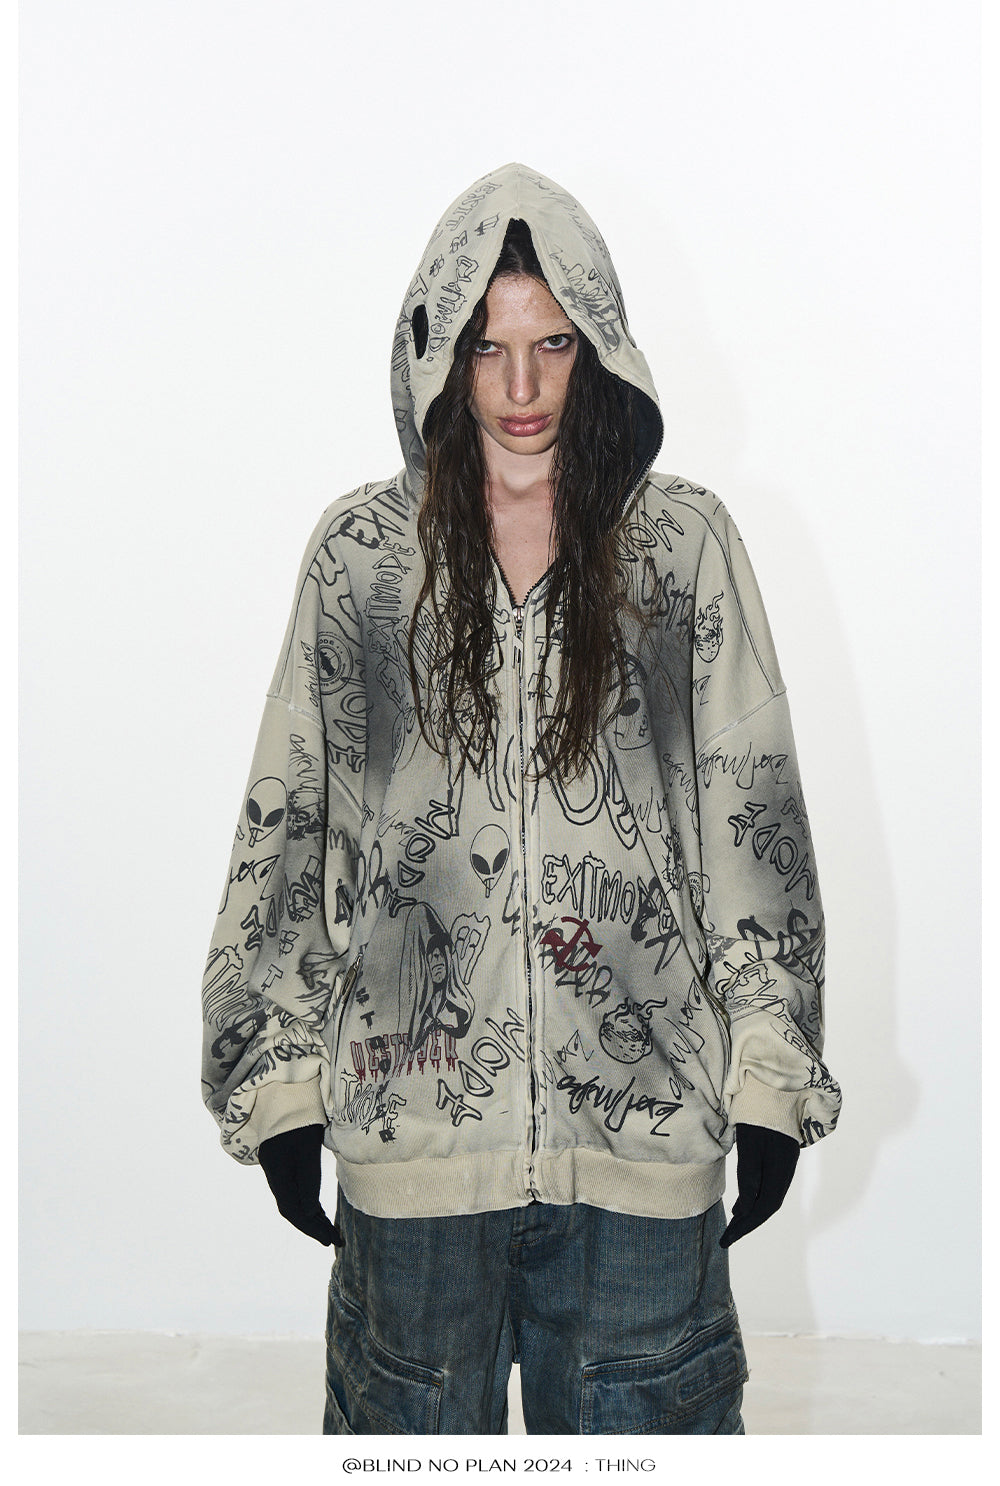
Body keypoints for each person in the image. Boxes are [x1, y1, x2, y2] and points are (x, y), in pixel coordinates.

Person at [201, 162, 842, 1436]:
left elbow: (755, 829)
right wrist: (276, 1087)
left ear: (599, 345)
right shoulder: (361, 561)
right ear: (439, 357)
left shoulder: (683, 548)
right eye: (487, 348)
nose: (520, 386)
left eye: (552, 343)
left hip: (642, 1153)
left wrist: (770, 1082)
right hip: (412, 1144)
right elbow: (289, 830)